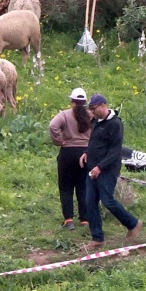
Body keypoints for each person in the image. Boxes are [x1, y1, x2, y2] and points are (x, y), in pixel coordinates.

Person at [79, 94, 142, 248]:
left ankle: (133, 223)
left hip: (108, 169)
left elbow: (115, 151)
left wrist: (100, 167)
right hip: (92, 168)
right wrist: (87, 153)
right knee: (90, 202)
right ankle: (97, 238)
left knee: (107, 200)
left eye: (94, 109)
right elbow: (94, 142)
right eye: (90, 109)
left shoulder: (115, 124)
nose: (92, 112)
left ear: (103, 105)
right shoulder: (95, 122)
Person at [48, 87, 92, 230]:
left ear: (72, 101)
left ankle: (68, 220)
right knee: (83, 186)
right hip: (86, 153)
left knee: (66, 187)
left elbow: (53, 126)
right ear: (85, 102)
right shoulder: (91, 115)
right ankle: (85, 219)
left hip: (67, 153)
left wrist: (59, 141)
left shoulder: (65, 115)